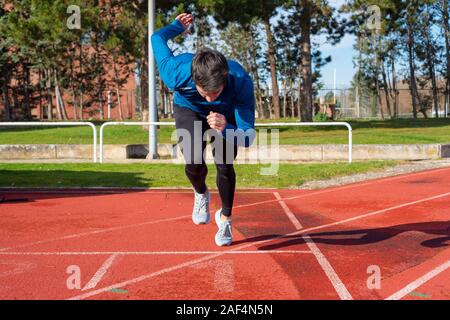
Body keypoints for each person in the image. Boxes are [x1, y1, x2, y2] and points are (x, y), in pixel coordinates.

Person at [151, 13, 256, 246]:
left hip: (225, 117)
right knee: (192, 160)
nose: (209, 98)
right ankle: (201, 193)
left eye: (215, 92)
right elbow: (157, 38)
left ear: (225, 78)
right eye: (203, 91)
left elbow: (248, 137)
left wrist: (227, 127)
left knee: (224, 163)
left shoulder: (240, 82)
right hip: (188, 109)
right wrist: (176, 26)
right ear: (194, 79)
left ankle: (226, 219)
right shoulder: (175, 71)